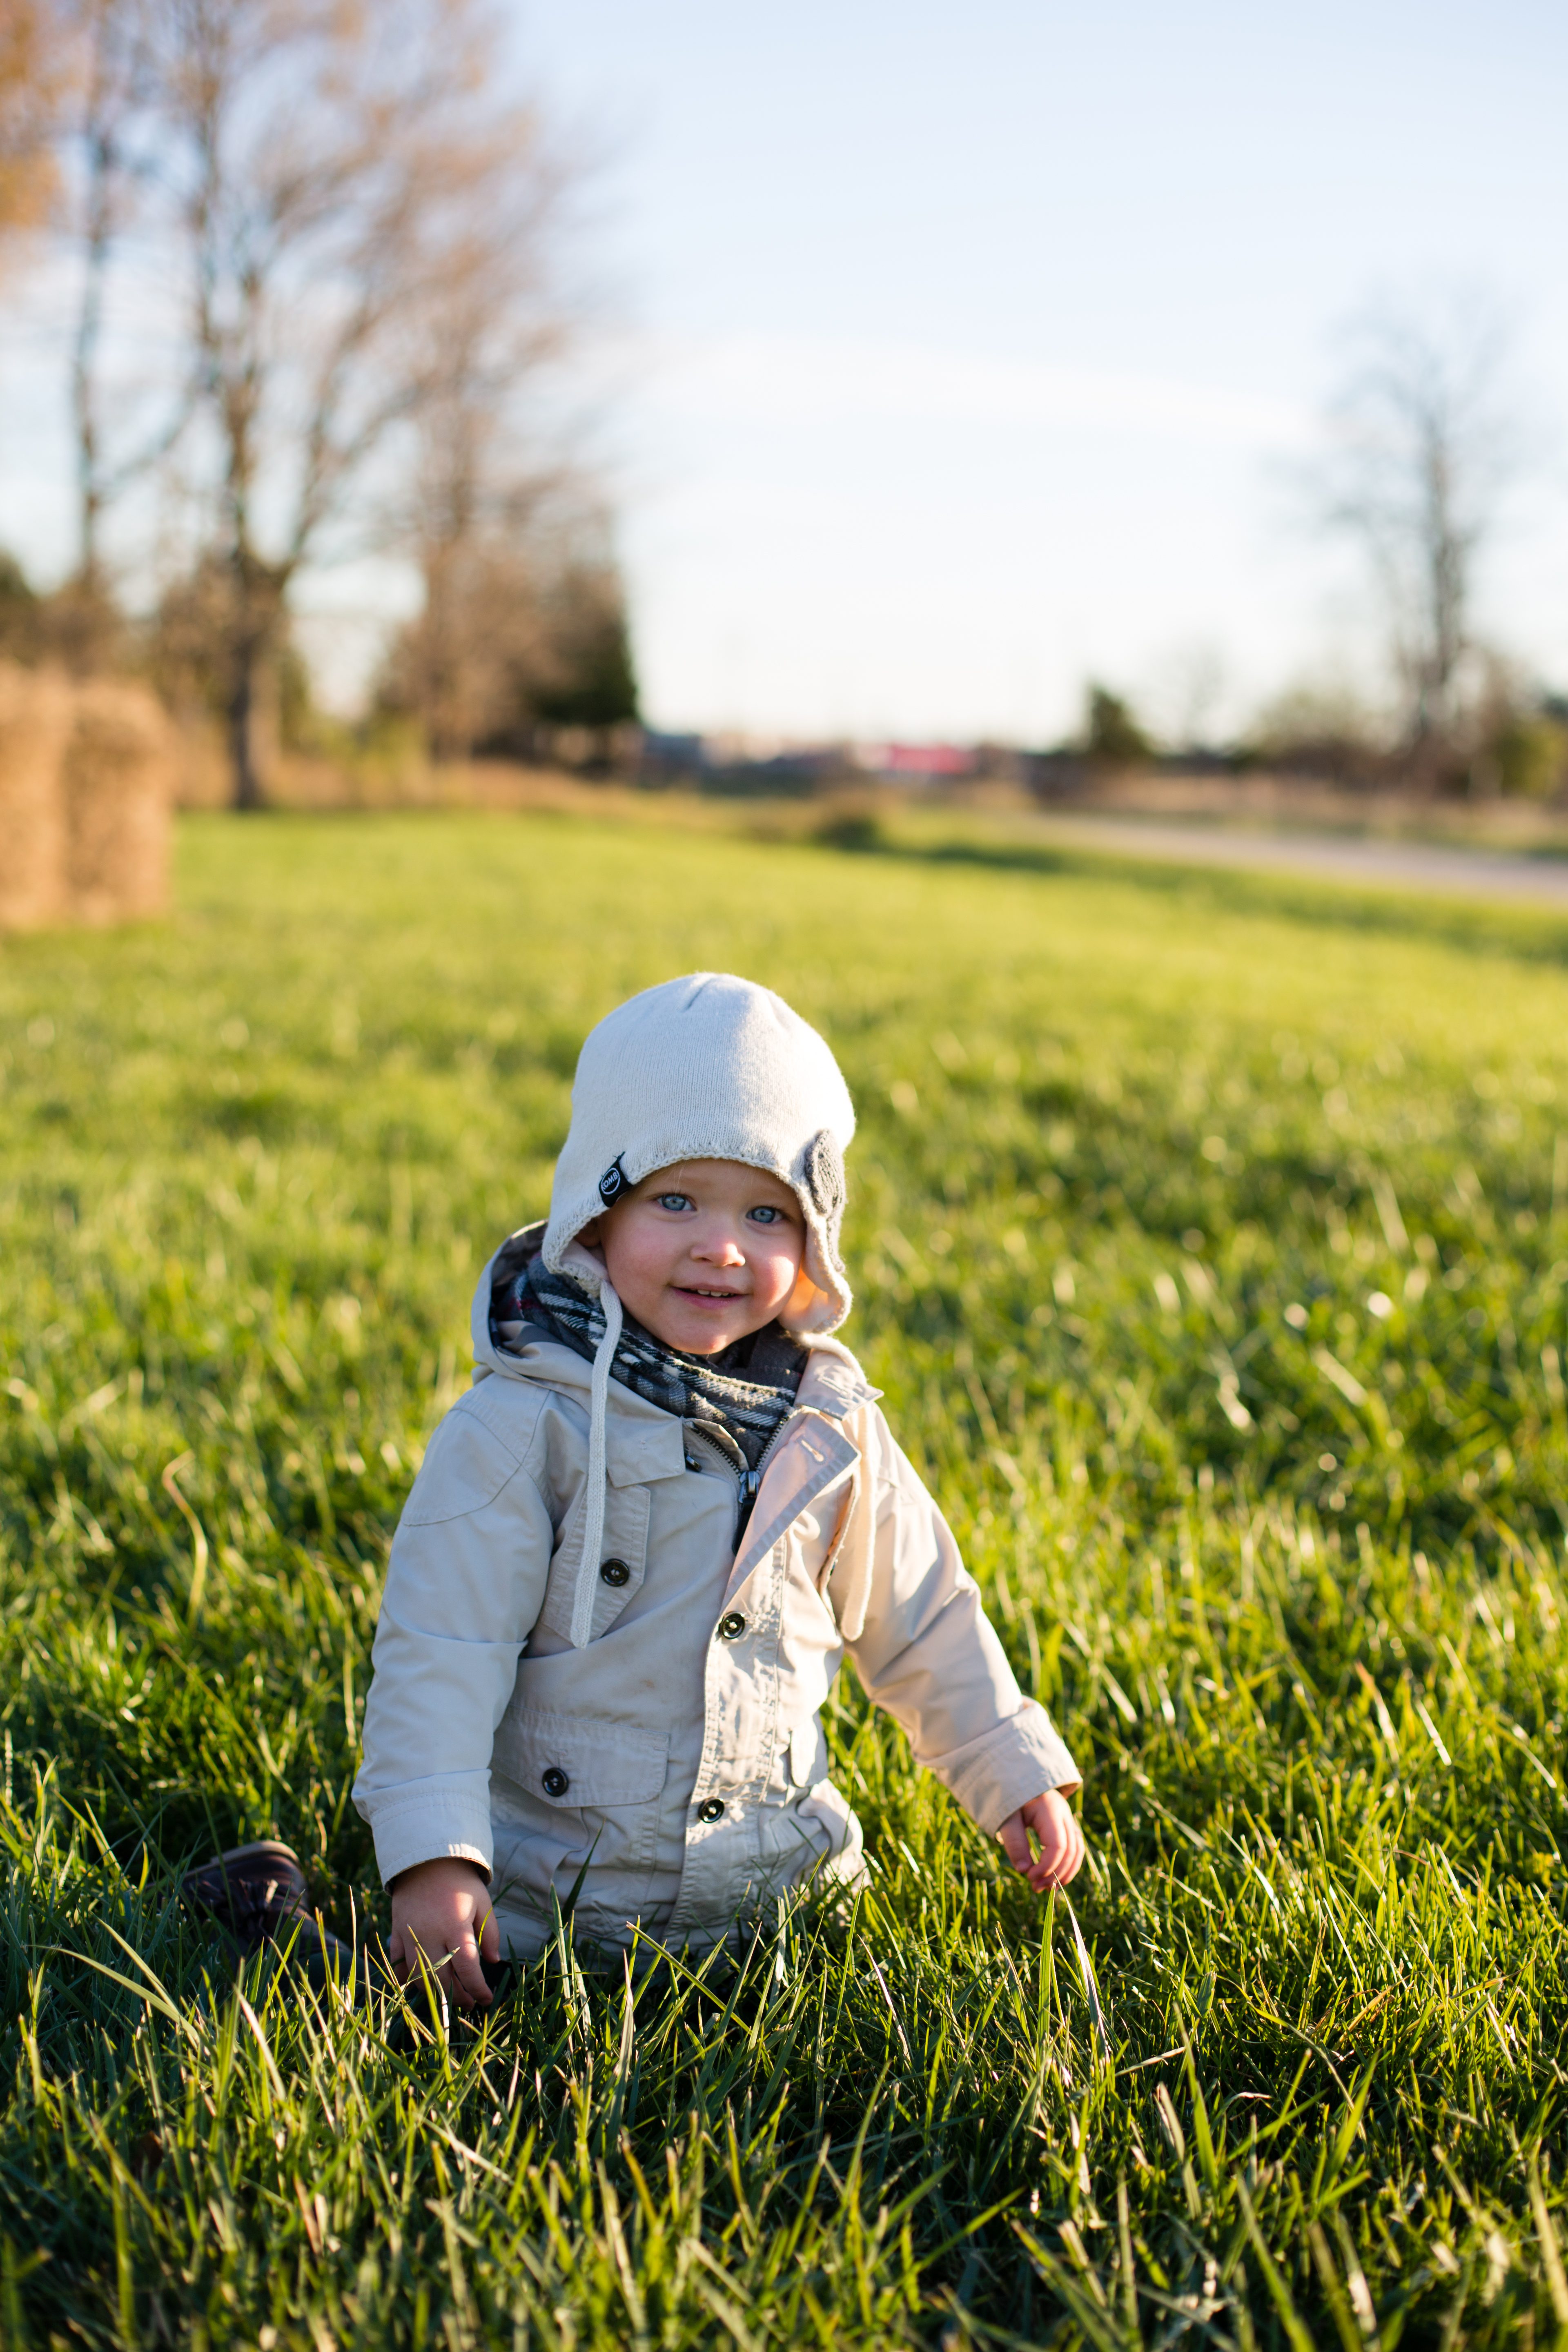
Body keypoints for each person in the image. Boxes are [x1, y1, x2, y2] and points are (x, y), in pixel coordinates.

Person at [190, 974, 1085, 2007]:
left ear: (815, 1240)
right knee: (417, 2027)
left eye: (767, 1212)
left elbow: (922, 1613)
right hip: (546, 1908)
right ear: (596, 1214)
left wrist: (1007, 1763)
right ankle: (271, 1919)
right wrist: (436, 1856)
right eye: (675, 1200)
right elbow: (444, 1649)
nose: (722, 1245)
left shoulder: (831, 1430)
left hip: (779, 1906)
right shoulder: (525, 1427)